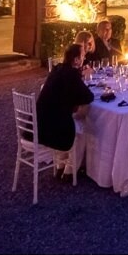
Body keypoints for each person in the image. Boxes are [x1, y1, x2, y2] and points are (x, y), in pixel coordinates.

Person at [36, 43, 94, 176]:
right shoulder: (71, 75)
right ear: (76, 60)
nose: (84, 59)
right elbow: (88, 96)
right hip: (51, 130)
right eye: (83, 56)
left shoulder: (58, 69)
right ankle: (70, 171)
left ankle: (60, 164)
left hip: (40, 123)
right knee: (82, 129)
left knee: (74, 119)